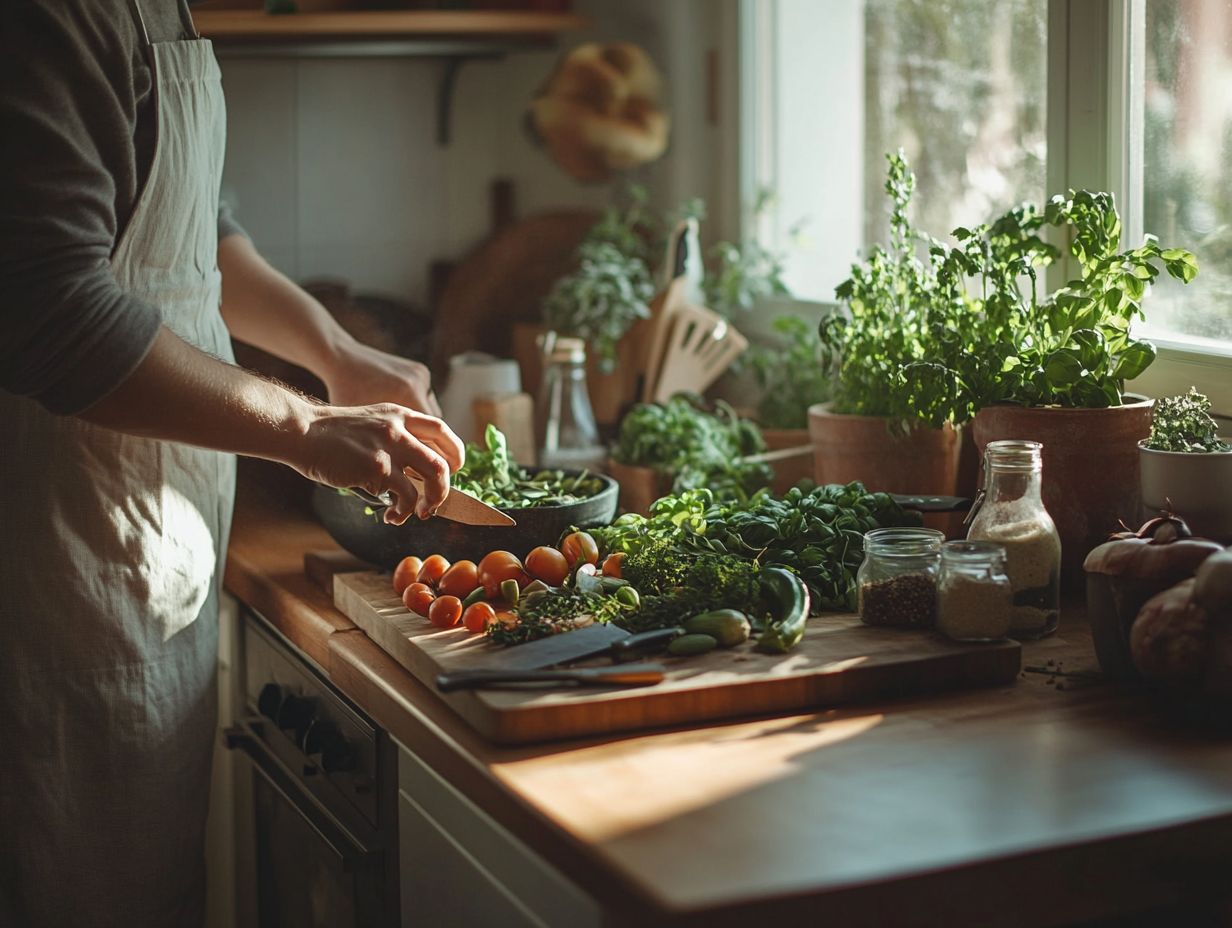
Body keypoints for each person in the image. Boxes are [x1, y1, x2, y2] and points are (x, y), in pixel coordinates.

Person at [0, 2, 464, 925]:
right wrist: (305, 428)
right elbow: (55, 314)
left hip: (136, 556)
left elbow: (195, 224)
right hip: (47, 565)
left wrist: (334, 352)